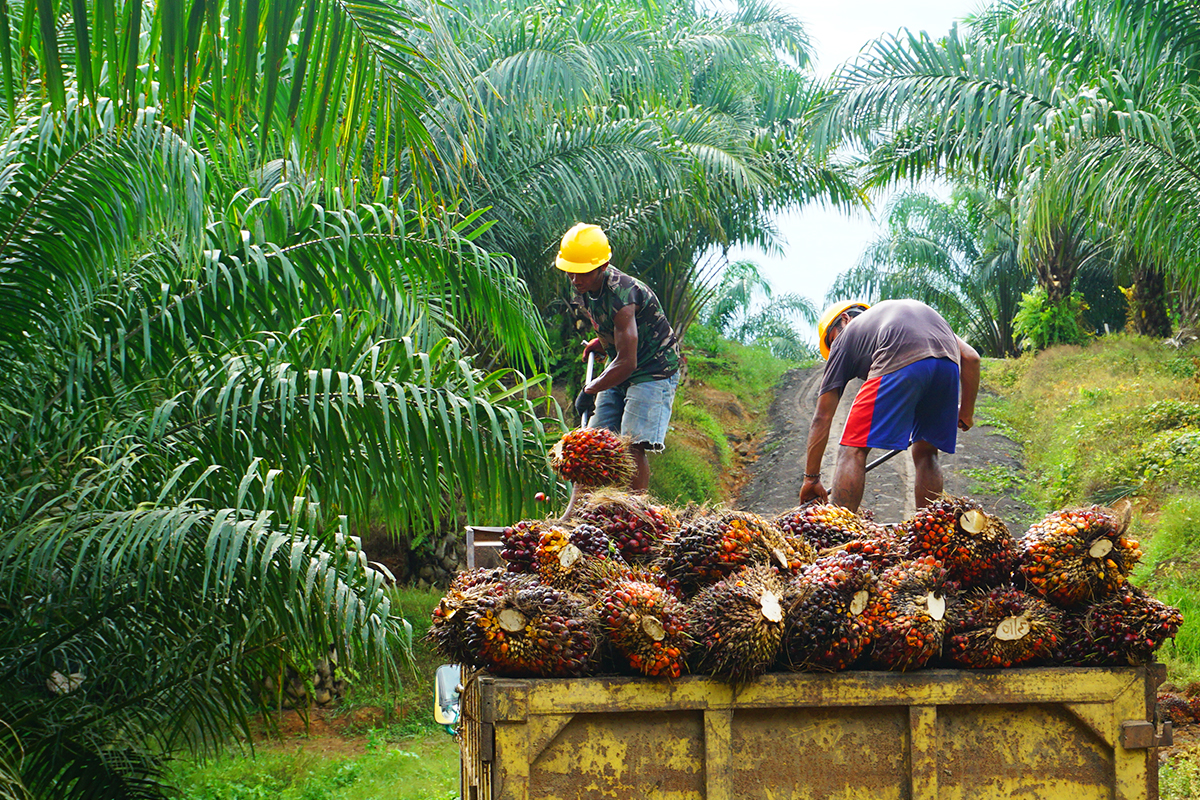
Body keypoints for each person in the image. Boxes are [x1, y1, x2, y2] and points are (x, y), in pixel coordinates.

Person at [799, 299, 981, 512]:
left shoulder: (847, 335)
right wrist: (966, 412)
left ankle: (840, 532)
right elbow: (971, 358)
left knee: (852, 448)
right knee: (926, 451)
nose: (835, 349)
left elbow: (822, 416)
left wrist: (811, 479)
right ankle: (928, 534)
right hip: (947, 364)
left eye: (832, 341)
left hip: (899, 354)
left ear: (845, 319)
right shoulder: (902, 315)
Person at [555, 222, 681, 491]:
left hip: (652, 370)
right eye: (571, 273)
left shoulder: (622, 296)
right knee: (595, 445)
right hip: (622, 364)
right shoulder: (586, 287)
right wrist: (602, 342)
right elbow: (617, 331)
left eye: (583, 273)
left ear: (602, 266)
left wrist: (590, 389)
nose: (576, 280)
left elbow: (628, 361)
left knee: (632, 442)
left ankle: (636, 513)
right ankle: (589, 514)